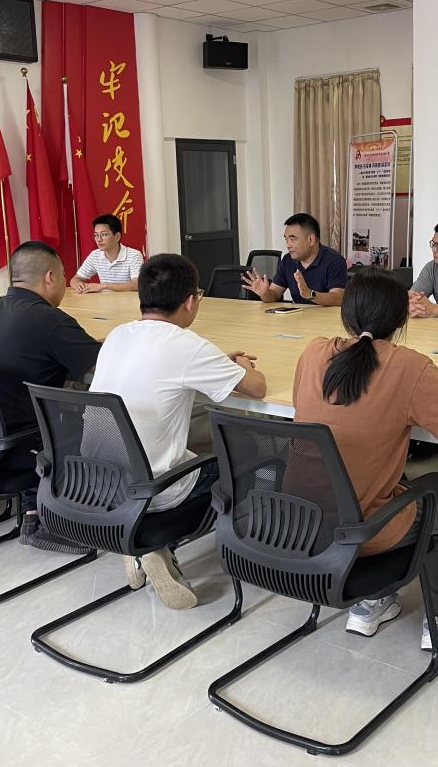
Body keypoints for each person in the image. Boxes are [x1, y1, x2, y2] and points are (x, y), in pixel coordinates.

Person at [292, 267, 438, 654]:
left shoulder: (314, 351)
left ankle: (372, 603)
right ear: (401, 320)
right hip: (361, 533)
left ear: (345, 314)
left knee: (386, 477)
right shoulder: (408, 366)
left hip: (299, 523)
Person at [89, 253, 267, 609]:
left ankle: (141, 547)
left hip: (95, 483)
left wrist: (213, 364)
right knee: (249, 460)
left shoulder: (117, 335)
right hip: (153, 491)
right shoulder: (188, 346)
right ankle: (156, 543)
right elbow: (257, 388)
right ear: (189, 302)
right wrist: (242, 367)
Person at [0, 241, 101, 554]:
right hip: (11, 448)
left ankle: (34, 513)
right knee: (84, 412)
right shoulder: (50, 320)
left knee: (44, 402)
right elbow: (103, 365)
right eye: (63, 275)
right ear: (50, 277)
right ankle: (57, 518)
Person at [242, 213, 348, 306]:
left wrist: (310, 294)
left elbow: (338, 298)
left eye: (292, 239)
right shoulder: (287, 260)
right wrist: (265, 293)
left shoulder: (334, 261)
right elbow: (274, 294)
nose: (288, 245)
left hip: (326, 319)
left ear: (311, 239)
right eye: (286, 239)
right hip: (298, 318)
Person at [70, 214, 144, 294]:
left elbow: (137, 284)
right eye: (96, 235)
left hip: (128, 301)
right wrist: (79, 286)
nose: (99, 239)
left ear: (117, 236)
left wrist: (104, 286)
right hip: (104, 300)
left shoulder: (134, 255)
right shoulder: (95, 255)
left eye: (104, 234)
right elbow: (75, 279)